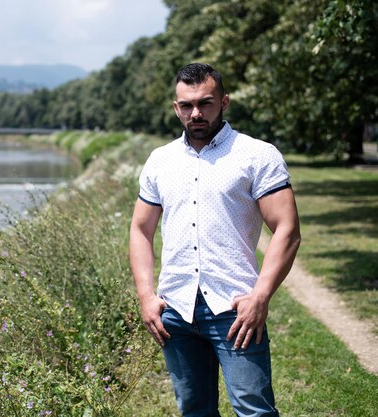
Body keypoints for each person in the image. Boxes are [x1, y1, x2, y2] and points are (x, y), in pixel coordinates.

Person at [129, 63, 301, 416]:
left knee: (253, 409)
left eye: (205, 103)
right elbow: (140, 230)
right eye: (186, 105)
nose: (196, 113)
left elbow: (287, 228)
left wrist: (261, 296)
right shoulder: (160, 161)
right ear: (176, 108)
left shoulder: (256, 155)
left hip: (235, 309)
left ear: (224, 102)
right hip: (175, 309)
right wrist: (147, 296)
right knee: (194, 409)